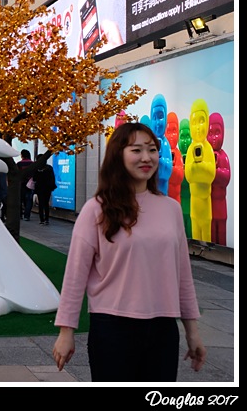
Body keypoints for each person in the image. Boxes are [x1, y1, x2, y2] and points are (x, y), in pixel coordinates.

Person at [52, 123, 206, 382]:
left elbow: (183, 275)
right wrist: (66, 331)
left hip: (163, 328)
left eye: (152, 150)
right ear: (118, 155)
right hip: (112, 329)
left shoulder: (171, 209)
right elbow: (75, 276)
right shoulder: (97, 210)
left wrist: (192, 331)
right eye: (136, 150)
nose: (147, 157)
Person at [34, 154, 57, 225]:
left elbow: (34, 178)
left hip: (39, 187)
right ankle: (47, 218)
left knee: (41, 203)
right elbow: (52, 178)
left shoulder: (36, 168)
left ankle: (42, 219)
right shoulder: (49, 168)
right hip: (47, 188)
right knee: (46, 203)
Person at [17, 150, 35, 221]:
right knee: (28, 200)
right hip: (30, 184)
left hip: (21, 183)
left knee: (20, 199)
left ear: (22, 155)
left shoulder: (19, 164)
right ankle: (27, 216)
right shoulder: (33, 163)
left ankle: (20, 214)